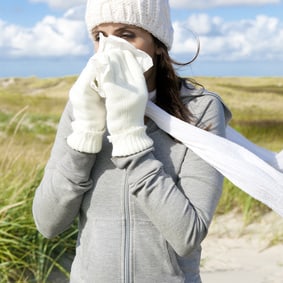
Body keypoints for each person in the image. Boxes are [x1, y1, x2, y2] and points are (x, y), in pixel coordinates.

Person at [32, 0, 231, 282]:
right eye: (100, 36)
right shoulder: (83, 105)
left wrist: (129, 138)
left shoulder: (200, 109)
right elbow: (47, 223)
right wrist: (86, 135)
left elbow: (188, 235)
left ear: (158, 44)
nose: (110, 48)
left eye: (126, 35)